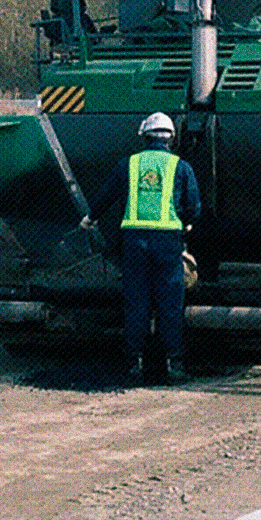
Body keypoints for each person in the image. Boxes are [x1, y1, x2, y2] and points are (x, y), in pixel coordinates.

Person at [82, 112, 202, 385]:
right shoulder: (181, 167)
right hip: (168, 243)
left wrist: (90, 218)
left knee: (137, 301)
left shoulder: (129, 164)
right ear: (171, 138)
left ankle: (134, 364)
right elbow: (194, 206)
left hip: (134, 243)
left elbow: (106, 195)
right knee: (170, 303)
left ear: (145, 137)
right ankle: (174, 364)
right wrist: (188, 224)